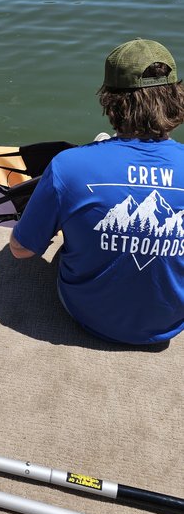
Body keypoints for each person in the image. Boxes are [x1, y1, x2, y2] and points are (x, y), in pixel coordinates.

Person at [10, 38, 184, 345]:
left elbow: (21, 251)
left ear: (111, 100)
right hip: (171, 322)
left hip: (88, 314)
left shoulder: (69, 166)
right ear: (175, 96)